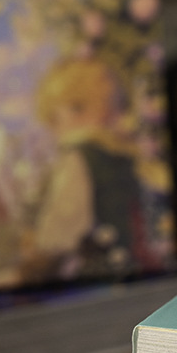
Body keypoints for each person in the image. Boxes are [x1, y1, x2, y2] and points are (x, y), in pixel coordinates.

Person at [27, 55, 156, 282]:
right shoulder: (122, 156)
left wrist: (37, 252)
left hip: (98, 276)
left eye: (55, 114)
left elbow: (59, 233)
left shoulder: (78, 158)